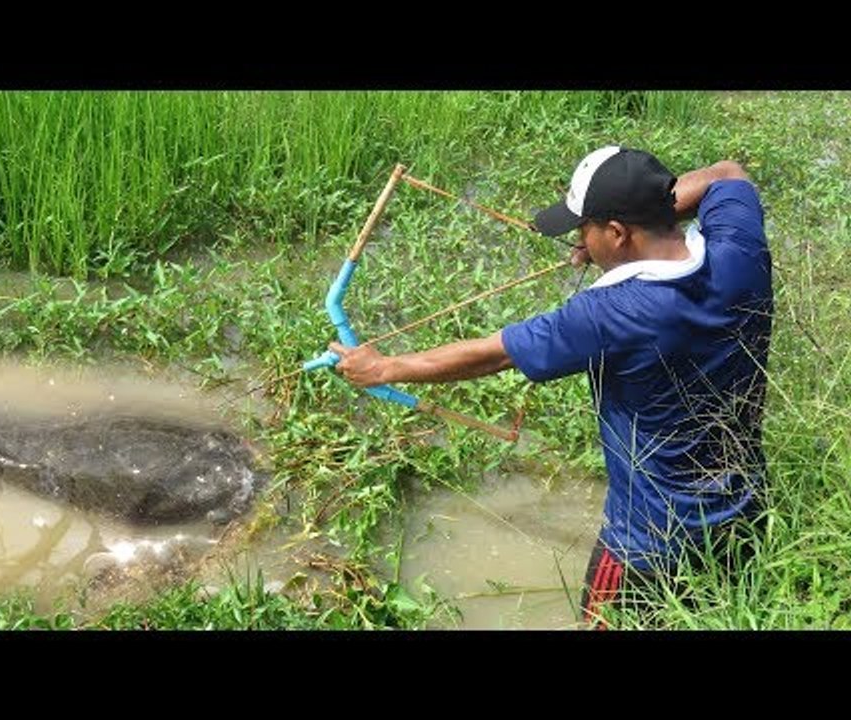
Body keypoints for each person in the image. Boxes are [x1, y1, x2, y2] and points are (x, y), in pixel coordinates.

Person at [329, 146, 773, 628]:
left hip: (648, 544)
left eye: (584, 228)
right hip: (744, 516)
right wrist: (622, 236)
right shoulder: (739, 252)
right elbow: (725, 174)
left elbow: (495, 353)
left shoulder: (611, 312)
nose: (578, 240)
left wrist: (384, 369)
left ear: (618, 233)